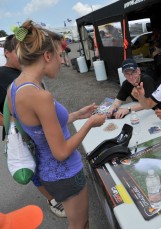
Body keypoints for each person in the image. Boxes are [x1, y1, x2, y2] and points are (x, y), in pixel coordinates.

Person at [7, 20, 106, 228]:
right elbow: (60, 152)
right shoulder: (40, 95)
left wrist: (77, 114)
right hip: (66, 172)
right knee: (80, 224)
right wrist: (89, 123)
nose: (62, 62)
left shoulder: (15, 88)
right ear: (47, 56)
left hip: (48, 172)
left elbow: (40, 129)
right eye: (59, 56)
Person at [0, 34, 67, 218]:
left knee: (45, 161)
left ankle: (57, 189)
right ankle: (53, 199)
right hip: (23, 134)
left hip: (34, 129)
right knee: (32, 167)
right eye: (18, 52)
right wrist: (16, 122)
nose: (22, 56)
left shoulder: (24, 73)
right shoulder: (2, 75)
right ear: (7, 53)